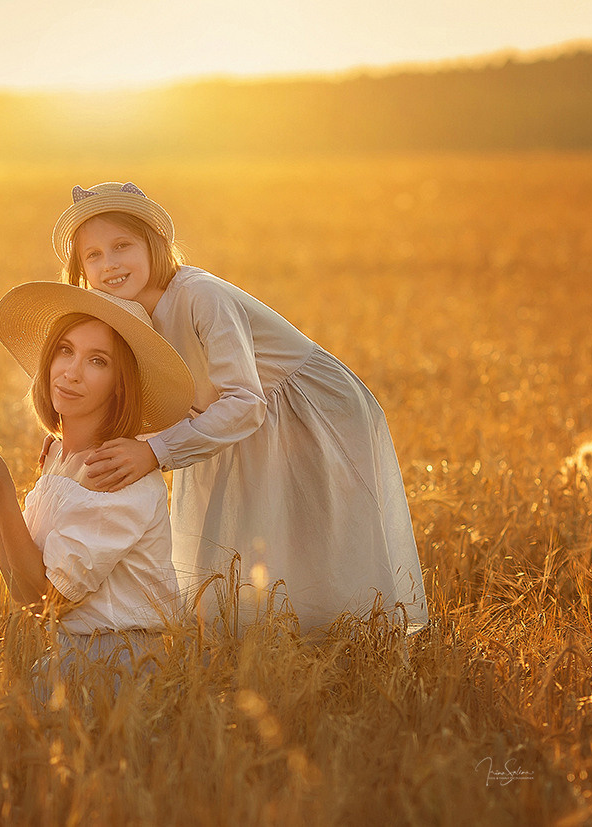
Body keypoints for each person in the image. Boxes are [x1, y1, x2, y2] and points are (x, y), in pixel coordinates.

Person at [52, 182, 429, 633]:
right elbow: (132, 394)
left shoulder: (200, 295)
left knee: (315, 537)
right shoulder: (126, 315)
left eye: (121, 246)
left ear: (155, 244)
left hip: (305, 406)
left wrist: (155, 452)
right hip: (230, 417)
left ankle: (349, 641)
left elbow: (247, 401)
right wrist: (67, 438)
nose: (109, 263)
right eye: (92, 255)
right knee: (240, 542)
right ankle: (262, 643)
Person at [0, 281, 195, 665]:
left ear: (121, 386)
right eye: (66, 350)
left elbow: (45, 601)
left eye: (98, 361)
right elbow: (20, 583)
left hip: (114, 661)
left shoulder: (113, 475)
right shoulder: (60, 454)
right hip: (67, 652)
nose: (71, 372)